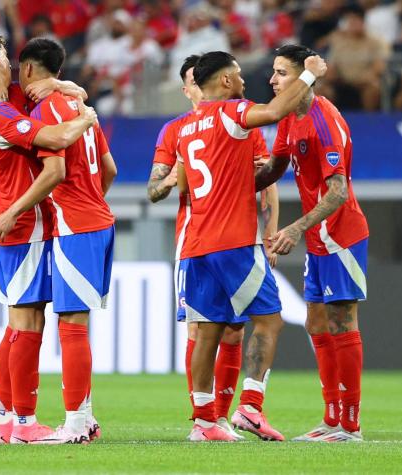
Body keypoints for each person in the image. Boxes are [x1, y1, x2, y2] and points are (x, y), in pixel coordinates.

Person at [174, 50, 327, 442]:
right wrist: (307, 77)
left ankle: (204, 421)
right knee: (269, 319)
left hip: (196, 243)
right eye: (238, 75)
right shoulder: (232, 111)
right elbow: (275, 112)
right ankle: (250, 406)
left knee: (207, 331)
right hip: (233, 241)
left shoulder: (187, 127)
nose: (244, 82)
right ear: (224, 81)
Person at [0, 30, 97, 444]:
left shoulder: (11, 97)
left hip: (28, 223)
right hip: (23, 225)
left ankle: (4, 419)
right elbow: (55, 137)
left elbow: (72, 90)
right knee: (25, 323)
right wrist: (86, 117)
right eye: (4, 52)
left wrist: (62, 86)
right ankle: (22, 422)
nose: (11, 59)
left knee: (20, 324)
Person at [147, 54, 279, 440]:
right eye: (188, 80)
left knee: (233, 331)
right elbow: (153, 191)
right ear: (188, 88)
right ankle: (209, 417)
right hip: (198, 236)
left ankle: (217, 418)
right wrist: (171, 179)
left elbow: (263, 177)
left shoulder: (235, 122)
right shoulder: (174, 131)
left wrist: (269, 228)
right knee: (200, 330)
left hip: (222, 235)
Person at [262, 44, 369, 443]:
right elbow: (274, 167)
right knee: (315, 322)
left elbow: (338, 192)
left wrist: (294, 229)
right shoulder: (290, 116)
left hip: (341, 236)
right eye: (273, 73)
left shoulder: (324, 120)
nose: (273, 81)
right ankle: (331, 417)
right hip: (319, 239)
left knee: (342, 321)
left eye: (281, 73)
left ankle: (350, 425)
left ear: (302, 78)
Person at [17, 37, 117, 444]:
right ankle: (85, 417)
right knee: (77, 324)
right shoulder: (80, 108)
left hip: (76, 225)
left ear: (27, 70)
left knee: (72, 326)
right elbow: (109, 169)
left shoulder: (45, 110)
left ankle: (75, 422)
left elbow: (54, 170)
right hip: (98, 220)